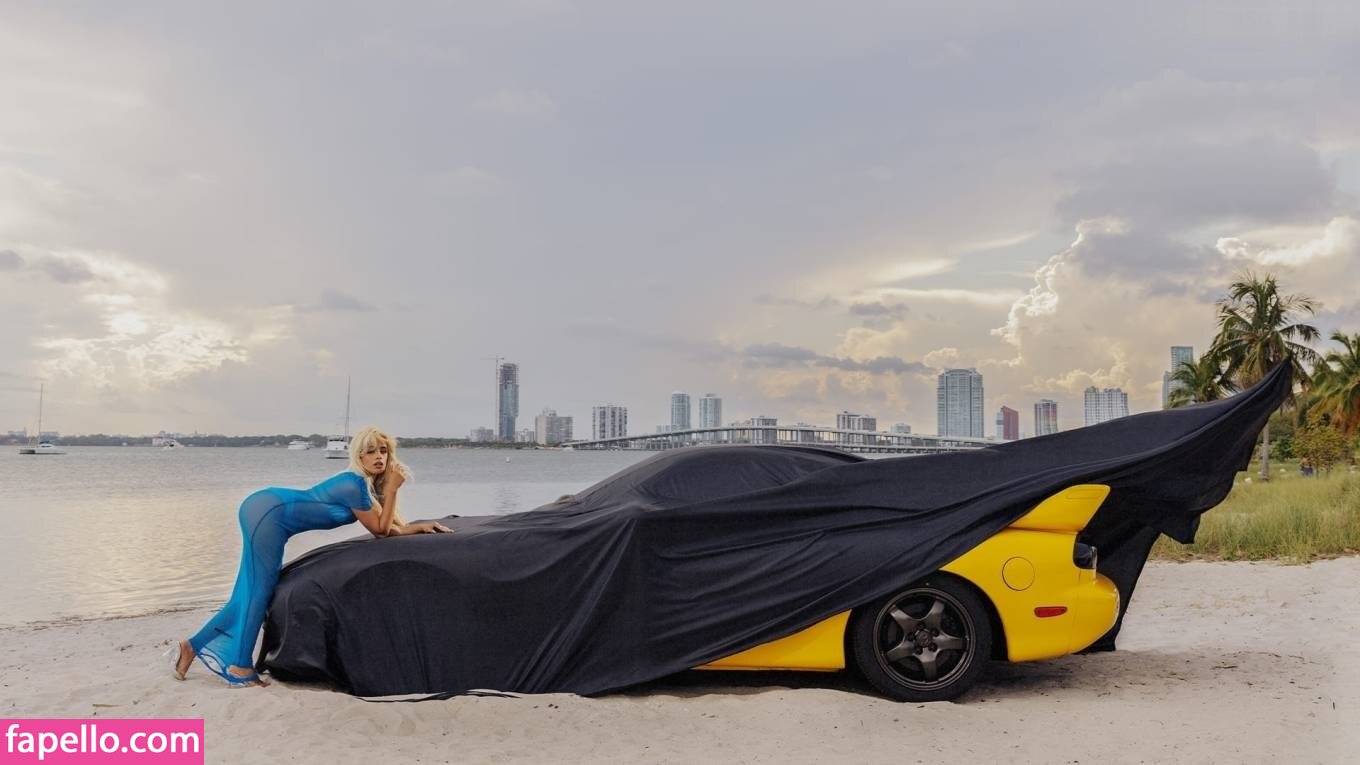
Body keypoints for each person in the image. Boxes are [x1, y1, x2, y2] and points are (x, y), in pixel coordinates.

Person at [170, 426, 450, 687]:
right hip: (269, 513)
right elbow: (381, 531)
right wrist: (392, 490)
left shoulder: (362, 486)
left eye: (383, 450)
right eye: (370, 451)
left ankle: (191, 647)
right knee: (258, 592)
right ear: (359, 455)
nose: (378, 456)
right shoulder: (353, 483)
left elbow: (387, 527)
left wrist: (419, 527)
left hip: (268, 511)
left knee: (250, 592)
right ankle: (240, 667)